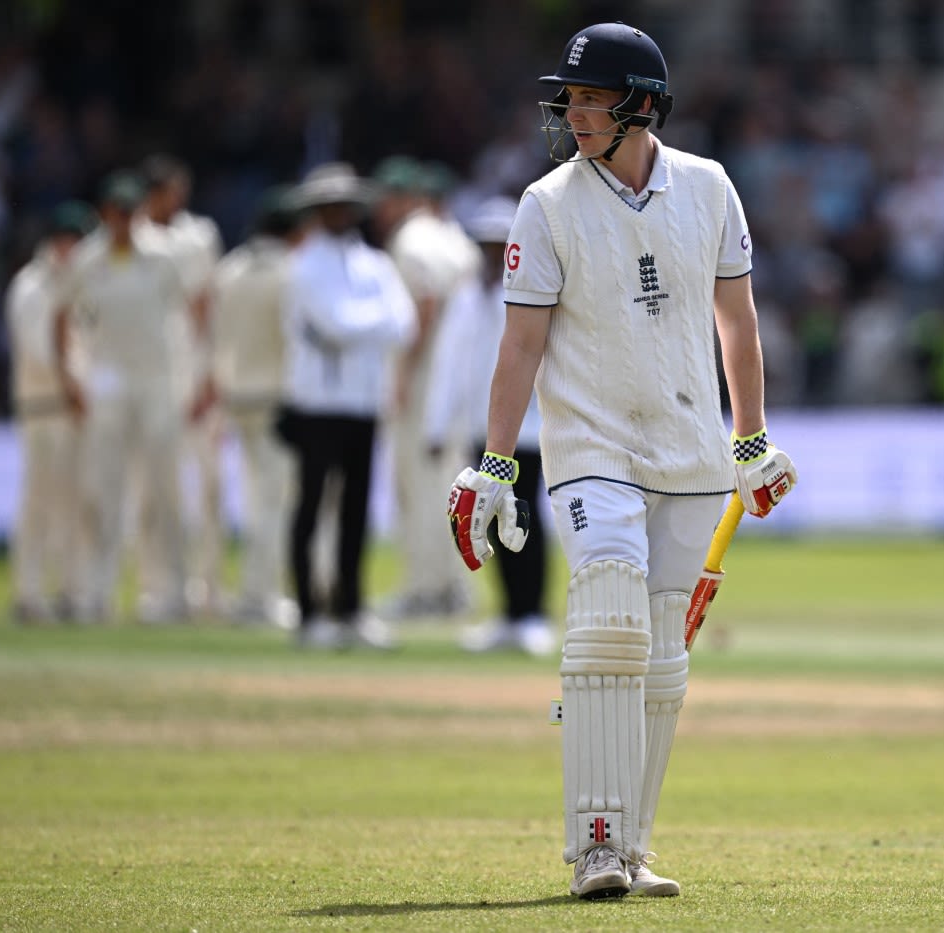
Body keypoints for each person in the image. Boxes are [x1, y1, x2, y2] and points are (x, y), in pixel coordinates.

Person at [445, 22, 798, 900]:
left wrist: (749, 437)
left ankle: (633, 848)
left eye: (593, 99)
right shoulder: (546, 202)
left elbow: (738, 323)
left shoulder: (711, 188)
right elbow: (521, 343)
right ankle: (594, 846)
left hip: (690, 453)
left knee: (663, 661)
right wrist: (495, 462)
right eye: (569, 99)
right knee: (608, 625)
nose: (573, 113)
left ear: (642, 104)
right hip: (591, 448)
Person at [277, 162, 415, 650]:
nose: (338, 213)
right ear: (317, 212)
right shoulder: (303, 265)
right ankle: (309, 613)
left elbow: (405, 322)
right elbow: (334, 324)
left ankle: (351, 607)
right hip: (316, 402)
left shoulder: (374, 263)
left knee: (356, 508)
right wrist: (370, 324)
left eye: (344, 205)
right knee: (312, 505)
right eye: (329, 206)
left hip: (362, 401)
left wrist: (362, 326)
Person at [53, 171, 195, 623]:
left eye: (131, 212)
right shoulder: (87, 259)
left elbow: (189, 315)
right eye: (117, 212)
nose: (125, 220)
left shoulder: (163, 254)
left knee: (161, 489)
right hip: (108, 381)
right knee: (102, 491)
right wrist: (72, 377)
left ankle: (167, 593)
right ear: (103, 213)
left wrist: (190, 378)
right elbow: (63, 319)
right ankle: (97, 592)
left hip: (156, 380)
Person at [425, 195, 554, 657]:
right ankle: (507, 615)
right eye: (483, 245)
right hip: (483, 432)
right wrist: (438, 426)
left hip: (530, 428)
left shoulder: (531, 291)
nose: (490, 254)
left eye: (498, 245)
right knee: (491, 520)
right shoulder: (465, 297)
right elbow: (449, 364)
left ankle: (532, 614)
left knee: (526, 520)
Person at [371, 156, 480, 621]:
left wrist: (402, 373)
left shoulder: (410, 241)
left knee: (419, 488)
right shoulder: (456, 239)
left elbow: (425, 304)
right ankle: (454, 589)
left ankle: (423, 590)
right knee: (453, 486)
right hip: (461, 384)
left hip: (424, 385)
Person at [208, 187, 306, 628]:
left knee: (256, 497)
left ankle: (255, 591)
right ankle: (261, 596)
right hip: (276, 399)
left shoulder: (228, 270)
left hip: (237, 397)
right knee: (275, 500)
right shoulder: (290, 272)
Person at [134, 153, 227, 617]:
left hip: (194, 375)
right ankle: (160, 588)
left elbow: (207, 307)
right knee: (154, 489)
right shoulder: (132, 239)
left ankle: (208, 587)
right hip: (151, 379)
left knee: (207, 486)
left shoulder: (198, 236)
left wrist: (210, 376)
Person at [4, 199, 96, 622]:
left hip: (73, 409)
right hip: (44, 407)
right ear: (59, 242)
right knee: (38, 502)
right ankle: (28, 594)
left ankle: (70, 593)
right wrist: (77, 383)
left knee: (72, 505)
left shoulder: (75, 284)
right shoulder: (32, 285)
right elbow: (40, 350)